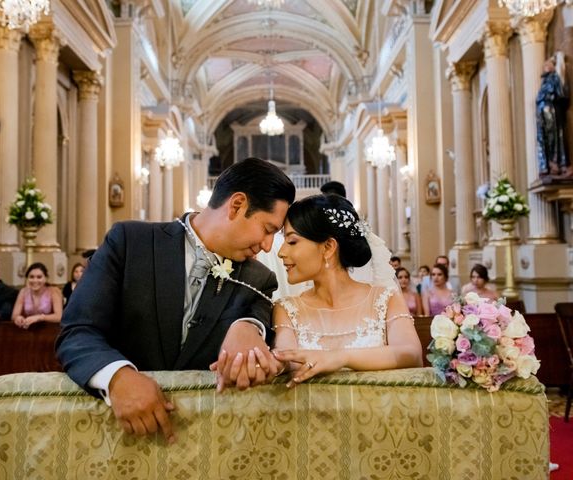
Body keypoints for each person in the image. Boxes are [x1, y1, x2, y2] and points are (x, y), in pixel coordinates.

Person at [56, 157, 296, 443]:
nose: (268, 245)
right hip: (117, 434)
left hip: (204, 441)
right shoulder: (131, 242)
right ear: (236, 205)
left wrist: (248, 327)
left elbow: (257, 318)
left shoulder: (259, 277)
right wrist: (118, 377)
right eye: (267, 229)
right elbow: (77, 331)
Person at [270, 194, 422, 385]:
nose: (281, 252)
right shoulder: (286, 308)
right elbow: (286, 359)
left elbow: (411, 353)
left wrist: (340, 357)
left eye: (292, 241)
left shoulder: (385, 299)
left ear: (328, 247)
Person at [536, 52, 571, 178]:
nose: (544, 67)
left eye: (547, 65)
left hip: (550, 110)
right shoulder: (544, 82)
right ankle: (547, 165)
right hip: (542, 112)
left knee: (554, 137)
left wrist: (559, 58)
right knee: (544, 138)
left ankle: (556, 163)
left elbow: (560, 93)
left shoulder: (554, 78)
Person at [12, 262, 63, 329]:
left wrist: (40, 317)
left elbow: (59, 316)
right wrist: (18, 318)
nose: (35, 280)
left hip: (49, 330)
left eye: (39, 277)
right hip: (28, 330)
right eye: (31, 277)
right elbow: (14, 315)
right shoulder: (23, 292)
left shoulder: (53, 291)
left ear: (46, 278)